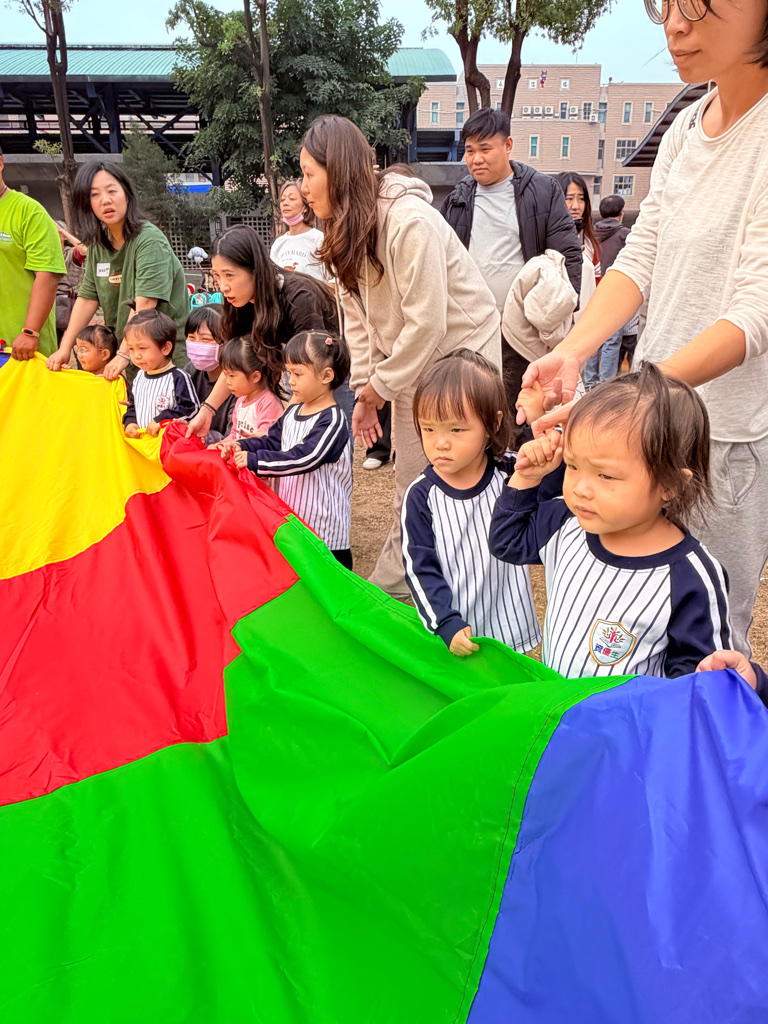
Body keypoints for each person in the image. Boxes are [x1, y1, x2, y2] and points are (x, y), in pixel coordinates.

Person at [520, 0, 768, 657]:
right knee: (614, 621)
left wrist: (635, 395)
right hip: (645, 423)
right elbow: (642, 257)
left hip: (719, 440)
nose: (675, 24)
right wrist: (574, 351)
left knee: (702, 649)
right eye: (668, 4)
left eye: (700, 4)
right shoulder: (686, 126)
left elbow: (755, 312)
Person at [300, 113, 502, 600]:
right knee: (413, 479)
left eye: (308, 174)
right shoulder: (344, 231)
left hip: (461, 355)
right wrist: (365, 390)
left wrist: (379, 388)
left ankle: (413, 588)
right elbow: (359, 322)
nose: (302, 188)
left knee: (454, 473)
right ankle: (400, 587)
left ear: (338, 170)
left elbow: (428, 322)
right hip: (412, 359)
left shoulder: (409, 222)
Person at [489, 365, 731, 678]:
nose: (580, 488)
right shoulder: (567, 522)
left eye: (605, 475)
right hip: (558, 703)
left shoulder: (690, 576)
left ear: (670, 485)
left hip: (624, 712)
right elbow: (507, 542)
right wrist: (526, 478)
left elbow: (699, 680)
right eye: (573, 466)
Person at [401, 350, 541, 657]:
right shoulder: (421, 495)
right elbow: (419, 568)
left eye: (456, 429)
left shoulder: (515, 472)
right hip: (456, 631)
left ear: (493, 423)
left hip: (510, 625)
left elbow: (559, 481)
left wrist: (540, 422)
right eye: (428, 428)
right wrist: (444, 622)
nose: (440, 442)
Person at [440, 109, 582, 408]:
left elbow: (567, 255)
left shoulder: (542, 190)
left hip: (521, 326)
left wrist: (560, 312)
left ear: (508, 145)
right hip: (473, 327)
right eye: (469, 150)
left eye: (485, 149)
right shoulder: (458, 198)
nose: (476, 159)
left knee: (522, 408)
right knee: (475, 408)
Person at [184, 225, 339, 439]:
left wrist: (275, 429)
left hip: (324, 375)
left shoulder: (300, 298)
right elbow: (234, 364)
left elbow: (312, 372)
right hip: (293, 379)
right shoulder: (239, 303)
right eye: (217, 276)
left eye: (229, 275)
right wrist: (207, 410)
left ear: (255, 271)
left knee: (319, 442)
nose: (223, 286)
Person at [221, 331, 353, 568]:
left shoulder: (332, 420)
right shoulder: (293, 411)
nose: (290, 381)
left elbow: (304, 457)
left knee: (330, 586)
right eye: (289, 373)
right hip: (296, 523)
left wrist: (254, 460)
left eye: (298, 374)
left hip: (325, 531)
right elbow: (272, 441)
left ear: (326, 376)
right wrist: (240, 445)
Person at [46, 162, 189, 378]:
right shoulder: (98, 245)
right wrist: (65, 348)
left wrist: (123, 355)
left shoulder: (149, 240)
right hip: (128, 357)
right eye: (95, 195)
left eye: (112, 191)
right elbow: (87, 298)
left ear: (127, 194)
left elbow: (145, 303)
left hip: (164, 360)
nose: (105, 200)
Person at [0, 145, 64, 360]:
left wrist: (30, 331)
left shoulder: (29, 211)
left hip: (21, 348)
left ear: (0, 163)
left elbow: (48, 275)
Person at [122, 310, 199, 438]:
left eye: (142, 348)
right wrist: (130, 422)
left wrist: (162, 419)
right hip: (143, 444)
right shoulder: (139, 377)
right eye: (131, 349)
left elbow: (191, 408)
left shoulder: (178, 378)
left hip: (168, 444)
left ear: (166, 348)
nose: (136, 355)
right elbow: (132, 405)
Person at [583, 194, 632, 388]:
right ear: (621, 213)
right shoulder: (625, 235)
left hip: (591, 290)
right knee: (611, 338)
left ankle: (589, 381)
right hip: (614, 292)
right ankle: (605, 384)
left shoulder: (590, 234)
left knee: (591, 337)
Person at [216, 335, 284, 443]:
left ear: (255, 376)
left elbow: (266, 440)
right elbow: (234, 434)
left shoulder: (268, 402)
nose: (227, 381)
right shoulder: (240, 401)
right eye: (226, 375)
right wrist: (222, 444)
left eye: (232, 375)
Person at [182, 304, 236, 442]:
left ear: (226, 342)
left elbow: (232, 436)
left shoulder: (238, 384)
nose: (197, 344)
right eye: (191, 337)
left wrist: (199, 435)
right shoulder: (188, 373)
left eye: (206, 339)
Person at [269, 180, 326, 282]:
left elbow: (332, 282)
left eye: (292, 199)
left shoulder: (319, 239)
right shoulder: (278, 244)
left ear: (305, 207)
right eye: (282, 200)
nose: (285, 203)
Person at [54, 222, 87, 343]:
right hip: (51, 305)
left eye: (56, 233)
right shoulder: (44, 255)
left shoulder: (71, 253)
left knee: (73, 344)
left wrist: (63, 231)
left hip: (71, 306)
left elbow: (85, 250)